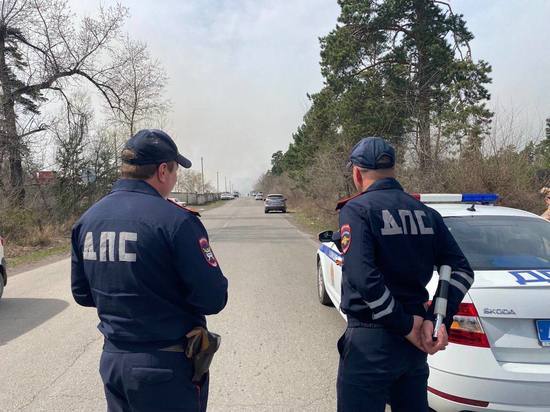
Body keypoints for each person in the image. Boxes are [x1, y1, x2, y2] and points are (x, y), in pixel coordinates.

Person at [71, 129, 228, 412]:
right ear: (162, 170)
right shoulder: (176, 222)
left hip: (114, 362)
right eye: (176, 170)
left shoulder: (88, 220)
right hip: (164, 368)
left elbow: (83, 294)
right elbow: (213, 298)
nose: (176, 177)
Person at [335, 137, 474, 412]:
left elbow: (364, 278)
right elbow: (462, 270)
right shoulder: (427, 213)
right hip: (415, 348)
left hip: (372, 342)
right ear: (394, 170)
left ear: (357, 173)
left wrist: (405, 325)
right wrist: (437, 320)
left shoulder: (357, 210)